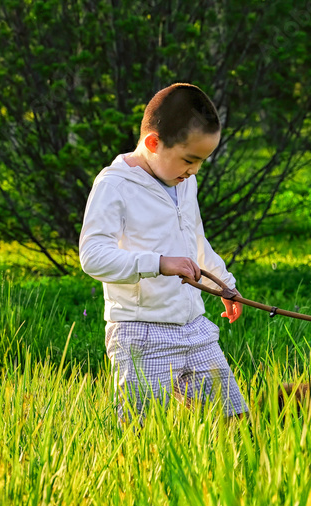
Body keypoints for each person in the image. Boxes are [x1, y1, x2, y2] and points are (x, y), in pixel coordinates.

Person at [79, 82, 247, 423]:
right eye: (189, 160)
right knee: (142, 434)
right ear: (154, 143)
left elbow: (196, 242)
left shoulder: (184, 183)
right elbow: (93, 255)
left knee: (235, 423)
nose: (194, 171)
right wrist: (158, 264)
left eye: (201, 162)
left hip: (194, 328)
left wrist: (224, 285)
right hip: (141, 333)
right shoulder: (114, 185)